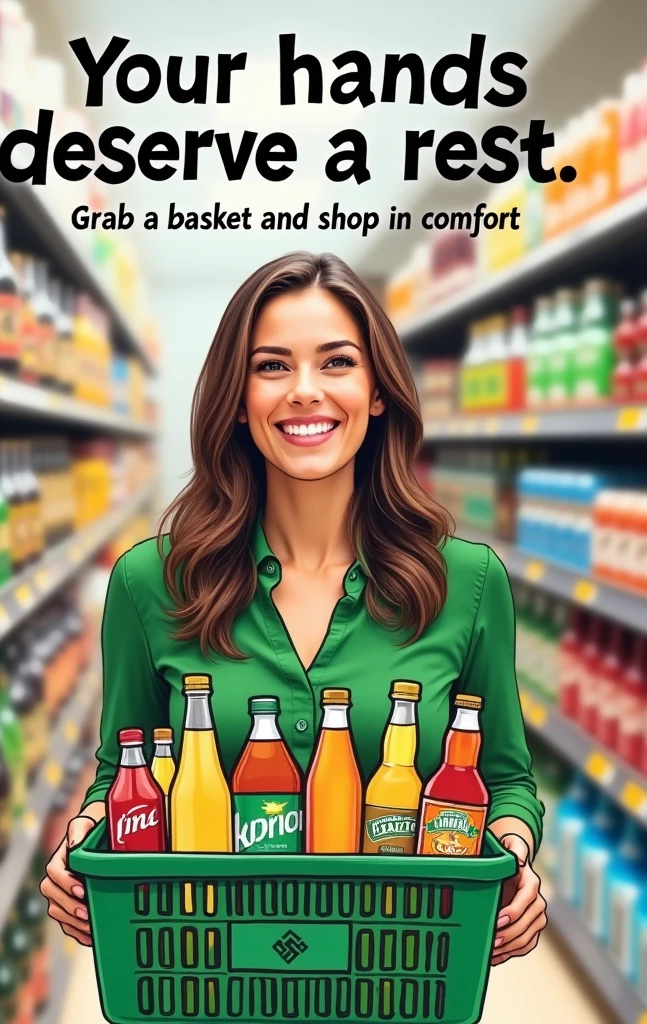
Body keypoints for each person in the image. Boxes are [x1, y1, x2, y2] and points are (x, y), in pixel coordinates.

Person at [41, 251, 546, 966]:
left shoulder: (465, 582)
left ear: (377, 392)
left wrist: (515, 860)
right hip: (207, 970)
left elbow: (505, 780)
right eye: (271, 366)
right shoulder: (150, 583)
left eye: (337, 362)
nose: (304, 390)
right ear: (238, 399)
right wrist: (82, 839)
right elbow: (122, 768)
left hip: (399, 969)